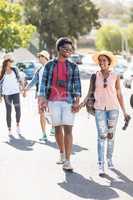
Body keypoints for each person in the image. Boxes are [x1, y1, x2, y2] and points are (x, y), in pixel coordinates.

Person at [80, 51, 129, 176]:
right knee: (101, 136)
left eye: (104, 60)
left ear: (109, 62)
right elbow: (89, 93)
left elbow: (119, 94)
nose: (102, 63)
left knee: (110, 136)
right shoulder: (95, 76)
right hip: (99, 110)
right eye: (100, 60)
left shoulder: (115, 76)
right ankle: (101, 163)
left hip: (113, 110)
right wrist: (80, 105)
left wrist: (124, 112)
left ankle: (109, 159)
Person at [38, 37, 81, 171]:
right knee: (57, 129)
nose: (68, 51)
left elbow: (77, 85)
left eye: (70, 49)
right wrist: (43, 99)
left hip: (68, 101)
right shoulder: (49, 65)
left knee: (68, 130)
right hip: (53, 101)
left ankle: (68, 161)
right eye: (65, 49)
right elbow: (43, 83)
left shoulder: (73, 66)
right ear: (59, 49)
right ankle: (61, 153)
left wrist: (77, 101)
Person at [23, 50, 55, 141]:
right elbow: (34, 81)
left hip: (50, 94)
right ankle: (44, 134)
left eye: (40, 57)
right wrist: (26, 89)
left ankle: (53, 126)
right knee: (41, 114)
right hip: (41, 95)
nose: (38, 58)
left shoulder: (51, 68)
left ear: (45, 57)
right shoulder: (39, 69)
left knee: (52, 111)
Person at [0, 53, 24, 137]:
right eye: (9, 61)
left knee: (18, 110)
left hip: (15, 93)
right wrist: (0, 95)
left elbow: (19, 79)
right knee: (8, 111)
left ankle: (17, 125)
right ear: (6, 62)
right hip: (7, 95)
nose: (11, 62)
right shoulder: (2, 71)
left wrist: (22, 88)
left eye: (11, 61)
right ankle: (9, 129)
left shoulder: (15, 69)